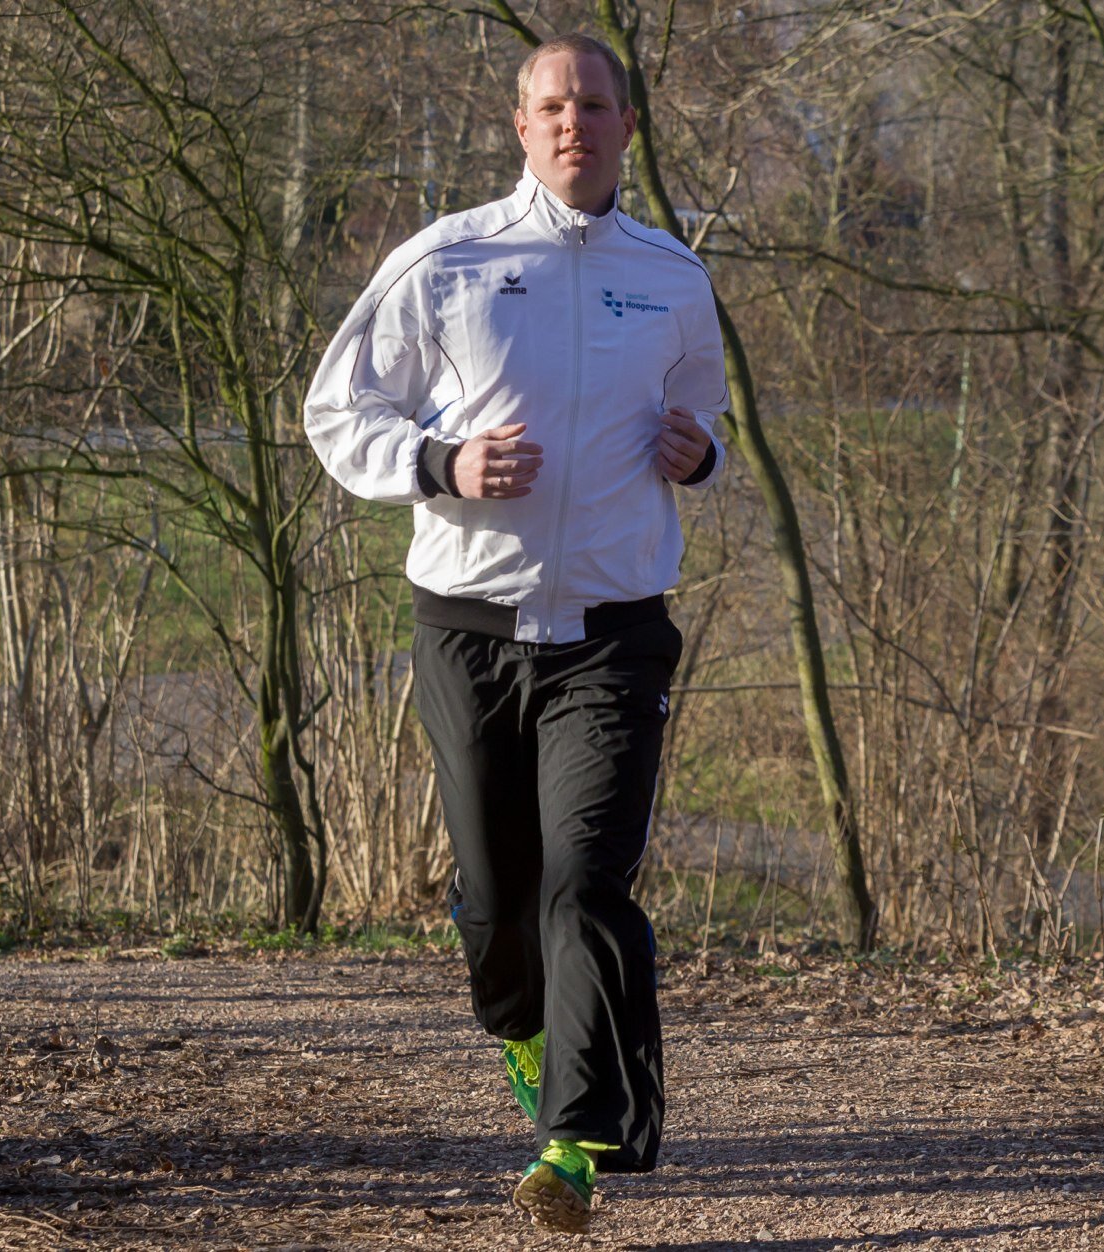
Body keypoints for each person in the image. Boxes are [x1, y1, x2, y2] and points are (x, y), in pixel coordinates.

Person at [304, 32, 727, 1233]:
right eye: (552, 105)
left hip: (614, 629)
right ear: (519, 123)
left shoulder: (672, 276)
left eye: (595, 103)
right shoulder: (447, 258)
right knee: (496, 900)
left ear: (628, 124)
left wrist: (704, 455)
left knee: (586, 880)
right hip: (470, 621)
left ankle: (578, 1144)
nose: (572, 123)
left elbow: (700, 414)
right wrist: (439, 461)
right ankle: (527, 1036)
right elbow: (337, 412)